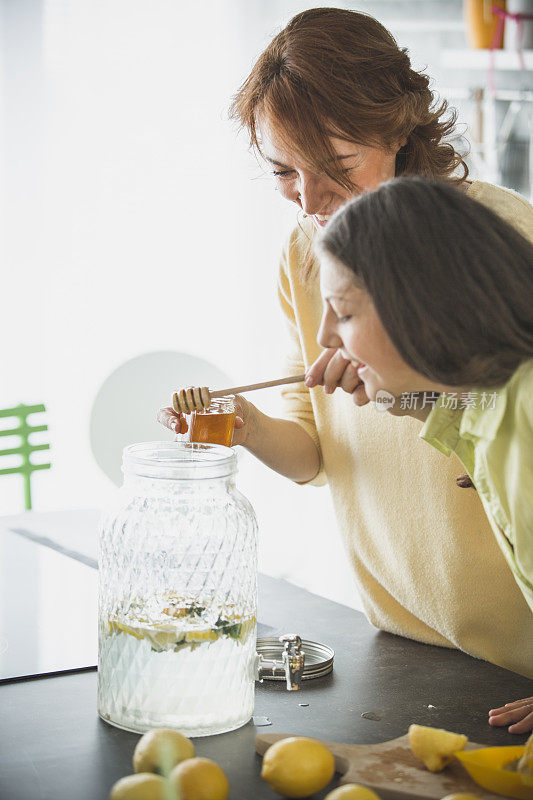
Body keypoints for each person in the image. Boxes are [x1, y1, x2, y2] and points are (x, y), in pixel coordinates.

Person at [158, 7, 533, 722]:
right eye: (279, 171)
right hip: (406, 638)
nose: (307, 198)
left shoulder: (497, 240)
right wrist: (247, 426)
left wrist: (418, 397)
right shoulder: (306, 258)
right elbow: (314, 455)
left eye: (334, 167)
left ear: (398, 128)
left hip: (516, 664)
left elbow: (509, 419)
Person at [314, 175, 533, 731]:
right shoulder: (497, 398)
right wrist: (409, 399)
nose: (324, 339)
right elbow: (470, 417)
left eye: (342, 311)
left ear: (419, 303)